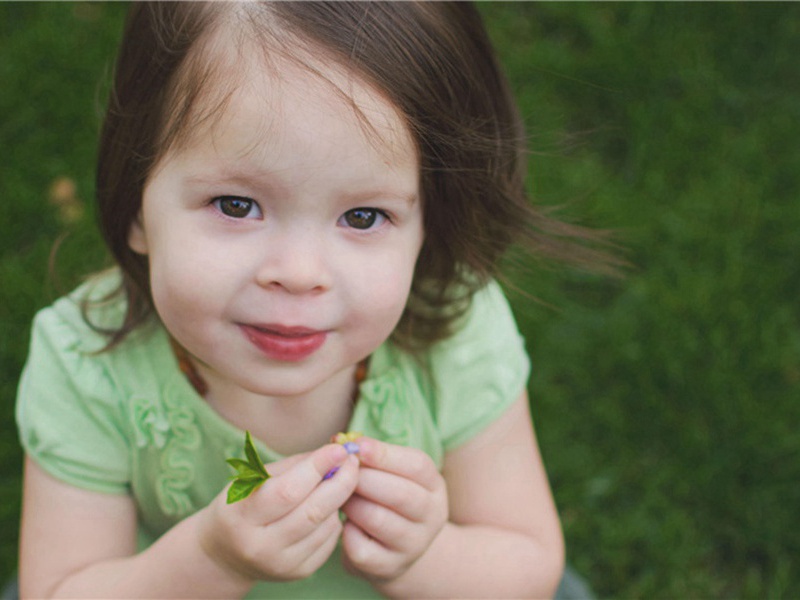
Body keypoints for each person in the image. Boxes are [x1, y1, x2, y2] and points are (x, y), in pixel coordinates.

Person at [16, 3, 608, 598]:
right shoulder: (86, 360)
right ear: (136, 203)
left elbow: (528, 563)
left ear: (428, 221)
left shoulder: (455, 332)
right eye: (236, 205)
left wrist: (424, 558)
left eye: (363, 215)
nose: (299, 275)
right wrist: (211, 558)